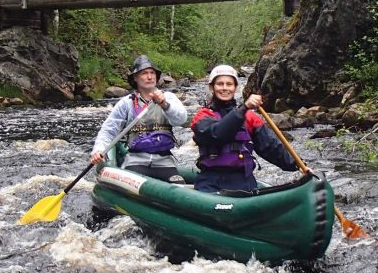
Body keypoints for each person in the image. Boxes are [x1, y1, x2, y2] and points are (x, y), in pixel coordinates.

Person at [191, 64, 298, 193]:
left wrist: (297, 164)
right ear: (211, 87)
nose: (224, 88)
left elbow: (270, 146)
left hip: (244, 181)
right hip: (212, 182)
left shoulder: (250, 117)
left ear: (235, 87)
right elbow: (217, 134)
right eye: (220, 84)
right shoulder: (202, 116)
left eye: (229, 84)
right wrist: (244, 107)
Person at [90, 55, 188, 183]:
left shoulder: (168, 97)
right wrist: (98, 149)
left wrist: (164, 104)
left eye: (152, 73)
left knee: (179, 185)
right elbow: (109, 130)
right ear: (135, 77)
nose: (149, 77)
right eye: (144, 73)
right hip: (135, 160)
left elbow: (181, 119)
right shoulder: (126, 103)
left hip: (164, 160)